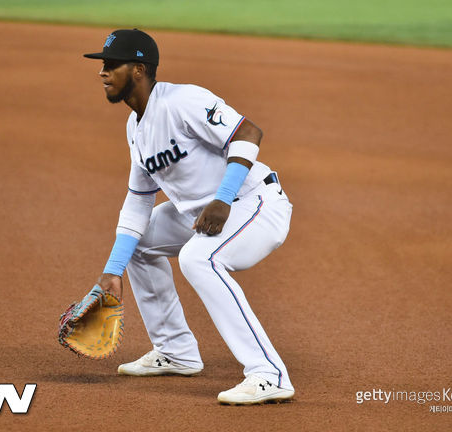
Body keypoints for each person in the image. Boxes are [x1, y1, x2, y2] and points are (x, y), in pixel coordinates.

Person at [83, 29, 295, 405]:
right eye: (102, 65)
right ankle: (176, 351)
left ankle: (268, 374)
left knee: (199, 258)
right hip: (204, 215)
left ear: (138, 70)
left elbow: (248, 131)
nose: (102, 72)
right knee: (139, 243)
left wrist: (223, 198)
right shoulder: (135, 128)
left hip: (254, 201)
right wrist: (112, 271)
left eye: (111, 65)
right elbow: (137, 201)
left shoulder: (183, 100)